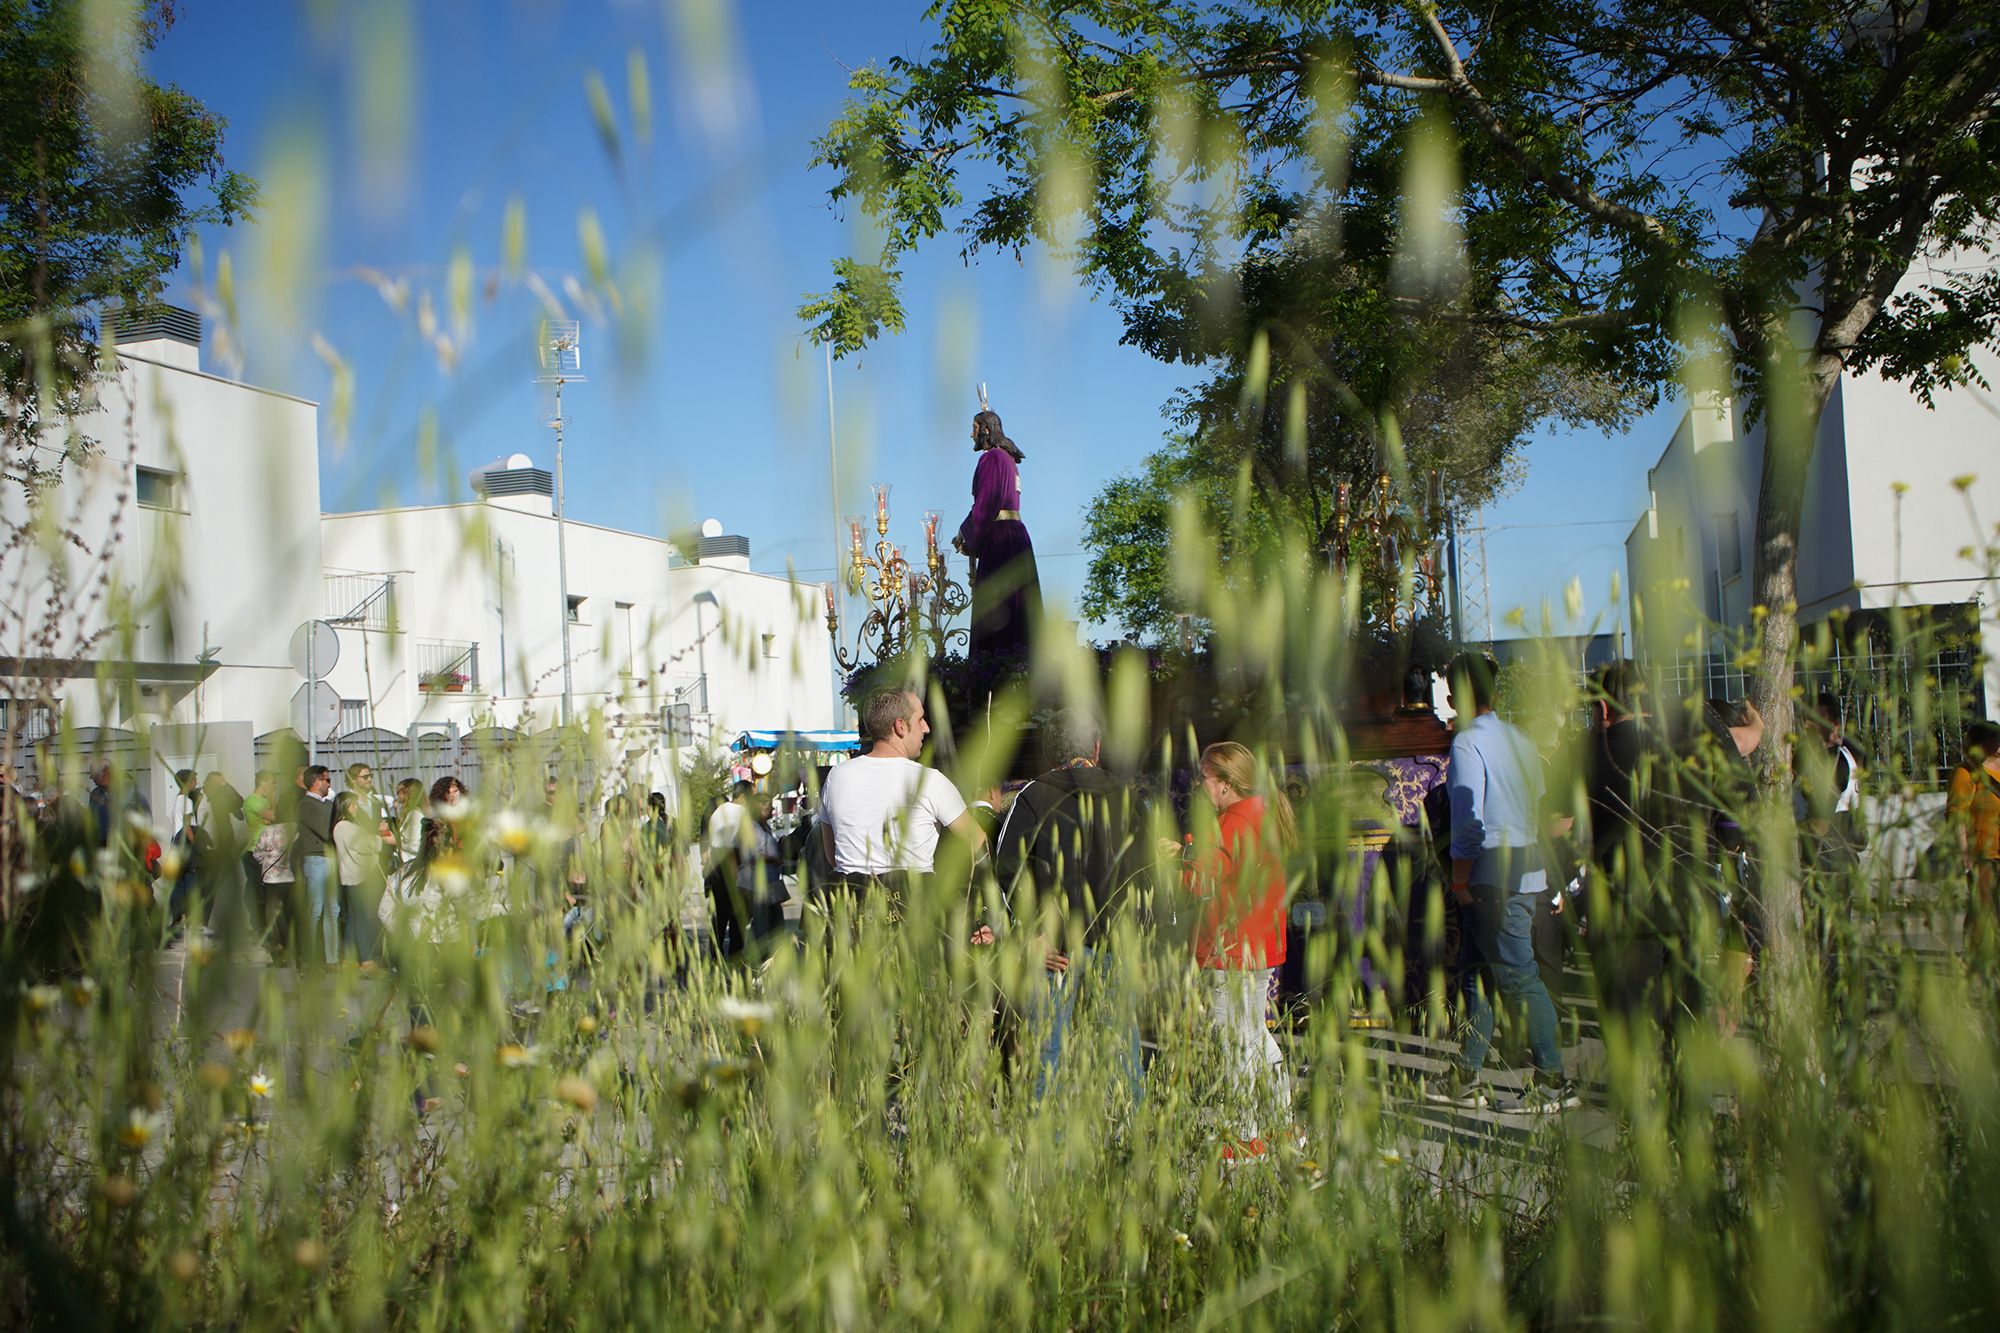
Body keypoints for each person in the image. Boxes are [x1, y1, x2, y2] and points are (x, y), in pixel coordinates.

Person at [1424, 653, 1581, 1113]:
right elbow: (1534, 808)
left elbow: (1468, 822)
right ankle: (1466, 1075)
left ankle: (1552, 1079)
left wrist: (1459, 882)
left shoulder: (1467, 744)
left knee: (1518, 977)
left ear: (1456, 698)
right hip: (1523, 872)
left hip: (1491, 879)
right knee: (1477, 975)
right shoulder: (1521, 740)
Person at [994, 708, 1150, 1102]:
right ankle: (1130, 1130)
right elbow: (1147, 874)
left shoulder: (1033, 796)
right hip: (1116, 940)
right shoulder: (1127, 797)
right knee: (1121, 1044)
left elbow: (1007, 869)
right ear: (1096, 747)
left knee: (1049, 1047)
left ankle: (1048, 1134)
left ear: (1050, 752)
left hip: (1055, 945)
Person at [1186, 741, 1297, 1156]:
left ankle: (1245, 1135)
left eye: (1204, 777)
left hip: (1229, 948)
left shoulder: (1232, 823)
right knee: (1254, 1035)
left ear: (1225, 784)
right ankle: (1281, 1124)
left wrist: (1182, 855)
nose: (1199, 785)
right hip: (1259, 943)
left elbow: (1200, 883)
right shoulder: (1263, 813)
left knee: (1233, 1043)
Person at [817, 687, 988, 904]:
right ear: (900, 726)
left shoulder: (836, 777)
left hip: (854, 908)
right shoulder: (929, 780)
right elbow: (978, 842)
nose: (926, 728)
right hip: (914, 908)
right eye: (920, 719)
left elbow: (832, 855)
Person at [954, 401, 1042, 663]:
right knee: (1019, 609)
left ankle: (993, 670)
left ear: (985, 430)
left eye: (974, 428)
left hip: (1000, 540)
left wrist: (965, 536)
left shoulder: (992, 458)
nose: (971, 434)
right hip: (1016, 538)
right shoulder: (1008, 459)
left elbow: (987, 503)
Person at [1946, 720, 2000, 961]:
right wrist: (1963, 851)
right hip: (1983, 855)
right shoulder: (1965, 773)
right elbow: (1957, 815)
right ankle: (1974, 957)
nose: (1998, 743)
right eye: (1994, 738)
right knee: (1982, 908)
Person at [293, 765, 340, 966]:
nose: (329, 783)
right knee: (315, 910)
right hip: (316, 860)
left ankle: (332, 958)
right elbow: (325, 831)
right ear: (316, 782)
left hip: (330, 858)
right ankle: (309, 958)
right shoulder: (306, 805)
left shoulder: (328, 803)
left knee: (333, 910)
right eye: (326, 780)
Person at [334, 790, 387, 965]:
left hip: (351, 876)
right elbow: (363, 845)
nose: (356, 808)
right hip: (357, 876)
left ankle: (349, 959)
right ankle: (366, 959)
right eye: (354, 804)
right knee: (363, 918)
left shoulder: (341, 826)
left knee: (353, 917)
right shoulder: (345, 826)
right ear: (346, 806)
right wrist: (378, 838)